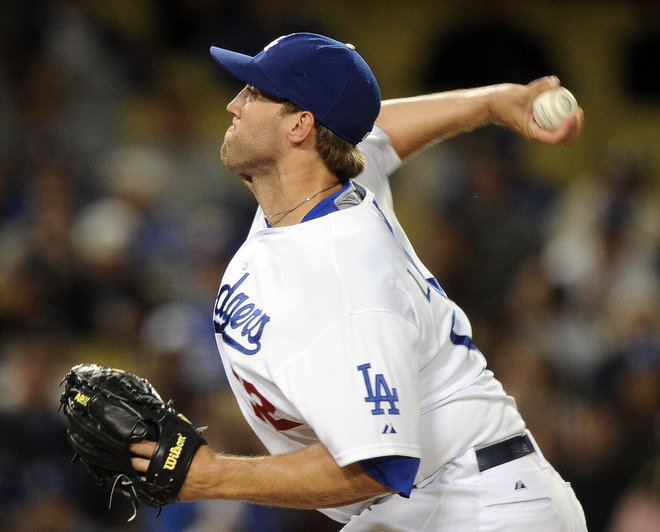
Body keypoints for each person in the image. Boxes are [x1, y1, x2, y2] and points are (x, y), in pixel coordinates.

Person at [131, 32, 587, 531]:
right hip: (438, 499)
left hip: (479, 505)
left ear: (301, 125)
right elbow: (379, 131)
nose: (233, 103)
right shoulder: (328, 179)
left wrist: (210, 477)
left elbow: (377, 467)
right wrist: (494, 103)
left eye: (255, 93)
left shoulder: (346, 278)